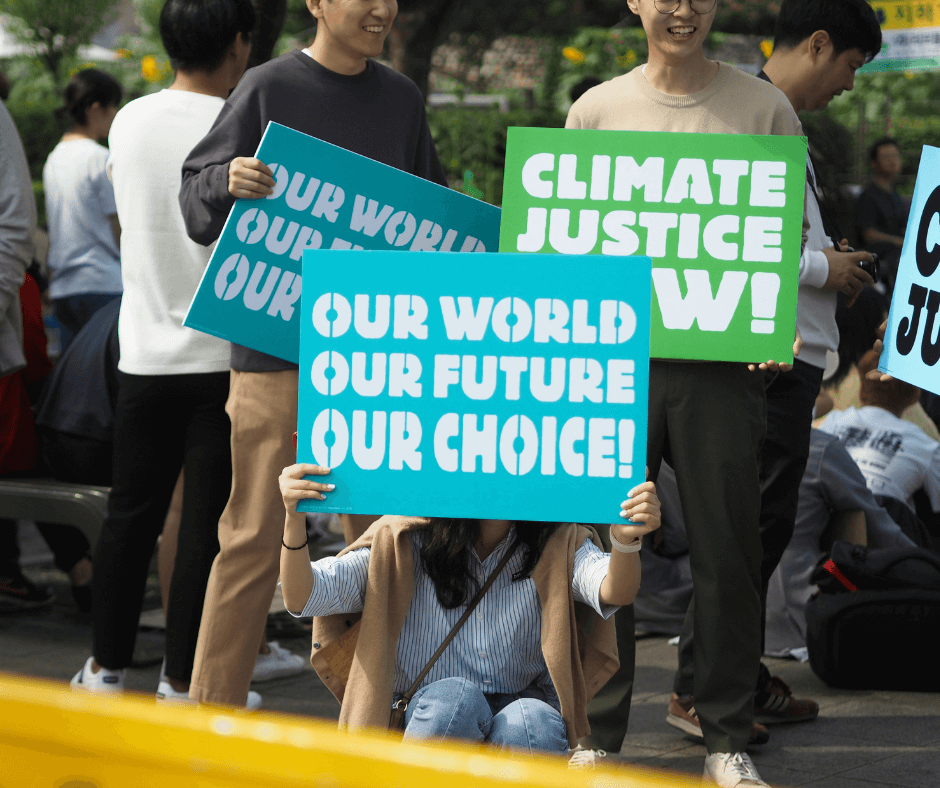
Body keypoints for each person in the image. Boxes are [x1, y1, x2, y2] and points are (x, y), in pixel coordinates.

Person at [178, 0, 447, 708]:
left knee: (383, 542)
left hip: (378, 365)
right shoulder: (267, 86)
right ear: (318, 3)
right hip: (273, 357)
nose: (383, 7)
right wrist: (227, 180)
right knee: (251, 539)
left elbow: (435, 212)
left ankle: (375, 714)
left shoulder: (402, 98)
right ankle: (209, 713)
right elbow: (195, 196)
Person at [565, 1, 806, 783]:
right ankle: (596, 735)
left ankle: (726, 736)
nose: (682, 8)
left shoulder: (765, 108)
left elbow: (782, 239)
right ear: (635, 1)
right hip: (614, 364)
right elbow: (567, 246)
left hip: (722, 368)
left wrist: (776, 326)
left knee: (730, 549)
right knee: (602, 542)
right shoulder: (594, 111)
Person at [662, 0, 881, 742]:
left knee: (759, 529)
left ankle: (737, 677)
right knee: (743, 530)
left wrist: (827, 256)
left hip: (790, 353)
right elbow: (723, 240)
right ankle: (701, 688)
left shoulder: (775, 119)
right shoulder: (743, 118)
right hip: (765, 355)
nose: (849, 86)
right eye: (851, 66)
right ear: (818, 45)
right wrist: (827, 265)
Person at [69, 0, 254, 702]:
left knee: (128, 520)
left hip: (142, 355)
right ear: (239, 42)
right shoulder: (247, 123)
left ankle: (106, 670)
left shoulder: (129, 120)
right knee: (204, 531)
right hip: (222, 362)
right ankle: (183, 682)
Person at [279, 462, 660, 753]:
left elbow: (613, 590)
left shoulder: (557, 540)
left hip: (521, 713)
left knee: (535, 720)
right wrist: (293, 521)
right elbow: (303, 596)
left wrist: (625, 540)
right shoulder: (401, 540)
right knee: (454, 702)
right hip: (431, 714)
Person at [765, 427, 916, 660]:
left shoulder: (719, 440)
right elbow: (878, 525)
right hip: (798, 620)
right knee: (893, 511)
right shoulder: (817, 446)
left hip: (726, 620)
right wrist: (926, 568)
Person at [43, 69, 123, 344]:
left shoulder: (53, 159)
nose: (116, 115)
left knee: (74, 379)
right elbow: (119, 232)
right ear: (95, 108)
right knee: (106, 381)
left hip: (64, 288)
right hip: (104, 284)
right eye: (114, 107)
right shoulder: (100, 158)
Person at [819, 350, 940, 521]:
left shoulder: (832, 422)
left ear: (862, 389)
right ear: (914, 395)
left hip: (822, 522)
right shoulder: (926, 446)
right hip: (884, 536)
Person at [855, 137, 908, 284]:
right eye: (886, 157)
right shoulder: (868, 196)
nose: (893, 160)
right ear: (874, 164)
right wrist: (900, 242)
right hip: (881, 261)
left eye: (896, 155)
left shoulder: (895, 195)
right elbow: (869, 235)